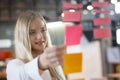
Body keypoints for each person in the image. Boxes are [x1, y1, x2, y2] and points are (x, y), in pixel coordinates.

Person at [6, 10, 66, 80]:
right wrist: (40, 63)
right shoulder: (14, 66)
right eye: (32, 32)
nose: (40, 36)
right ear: (23, 37)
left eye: (43, 30)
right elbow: (22, 74)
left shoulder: (53, 65)